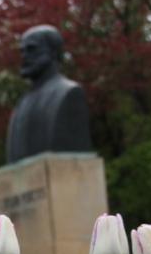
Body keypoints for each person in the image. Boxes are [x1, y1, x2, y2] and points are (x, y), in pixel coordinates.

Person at [6, 25, 93, 163]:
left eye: (32, 49)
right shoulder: (21, 106)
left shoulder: (69, 93)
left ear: (53, 52)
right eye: (22, 51)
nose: (24, 56)